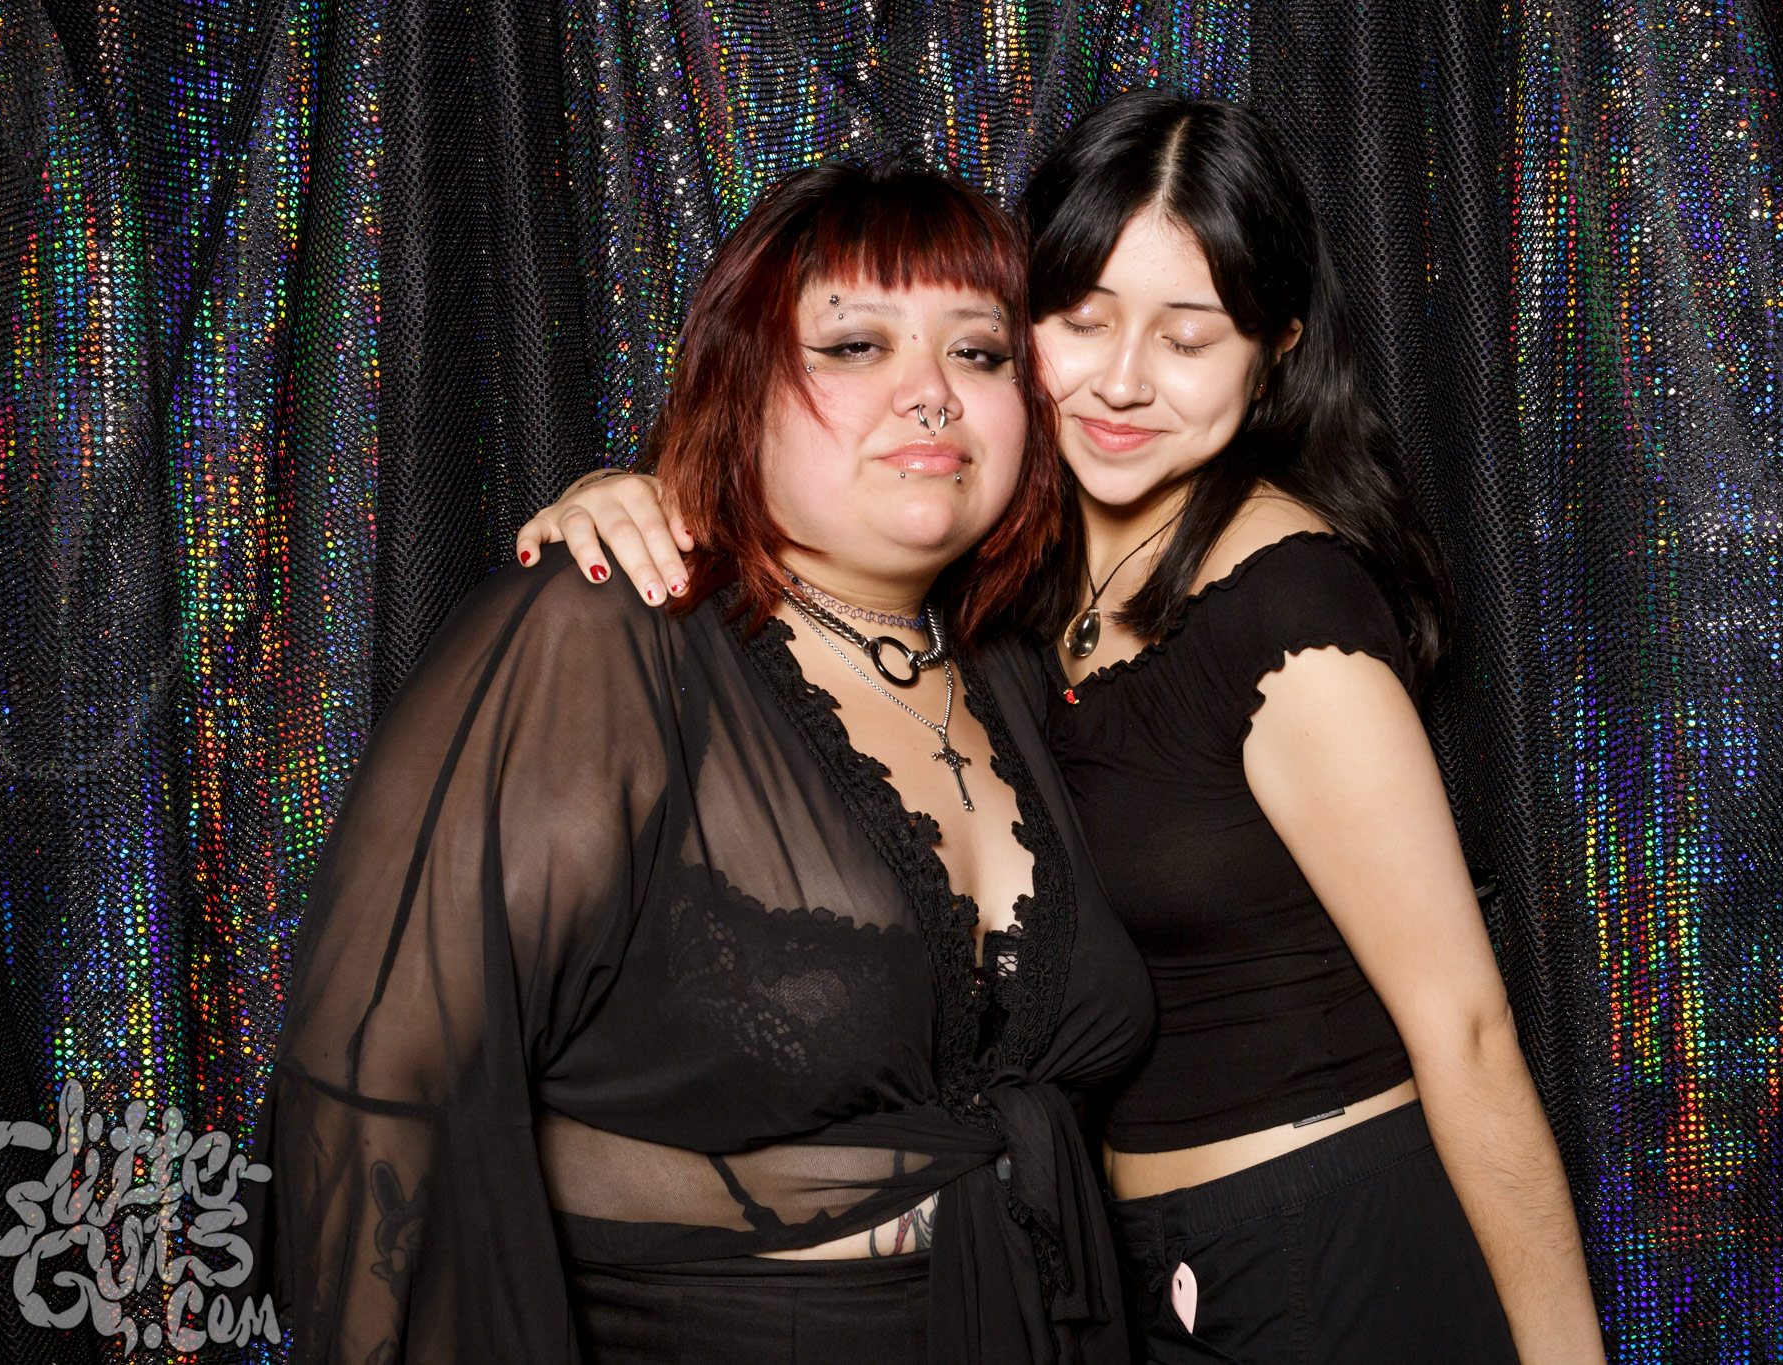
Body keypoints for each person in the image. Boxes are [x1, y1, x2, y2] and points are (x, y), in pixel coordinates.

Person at [519, 91, 1608, 1364]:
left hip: (1329, 1248)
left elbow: (1467, 1031)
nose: (1122, 381)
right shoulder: (998, 581)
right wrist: (627, 494)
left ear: (1273, 355)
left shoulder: (1290, 609)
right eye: (1080, 321)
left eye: (1188, 338)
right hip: (1118, 1270)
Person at [253, 161, 1155, 1365]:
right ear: (740, 385)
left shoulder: (1013, 669)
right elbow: (377, 1091)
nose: (929, 395)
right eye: (853, 346)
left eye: (978, 353)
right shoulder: (602, 633)